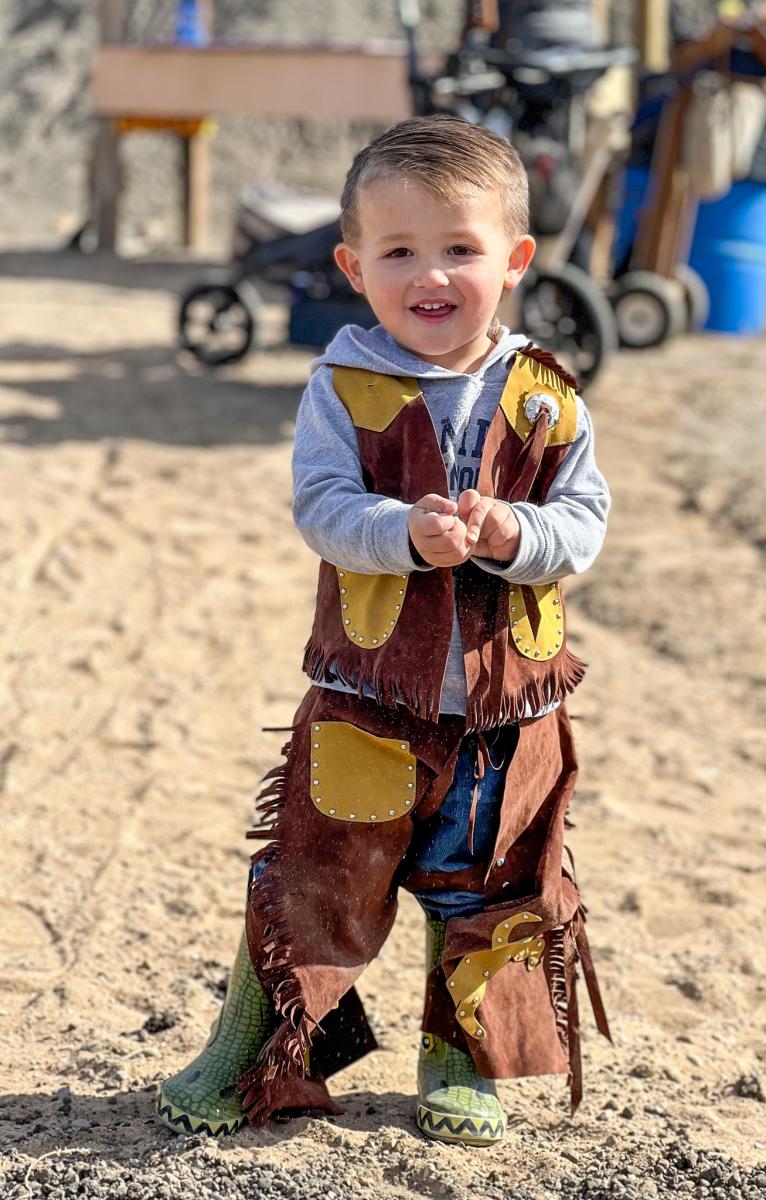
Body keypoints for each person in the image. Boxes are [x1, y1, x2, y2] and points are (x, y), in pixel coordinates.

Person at [156, 113, 611, 1147]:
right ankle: (254, 1053)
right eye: (398, 251)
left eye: (459, 246)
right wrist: (401, 531)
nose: (430, 273)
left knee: (489, 884)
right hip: (369, 698)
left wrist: (516, 533)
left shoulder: (546, 396)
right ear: (354, 266)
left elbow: (582, 525)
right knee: (314, 874)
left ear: (516, 259)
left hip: (506, 705)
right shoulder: (343, 385)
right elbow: (319, 507)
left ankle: (461, 1060)